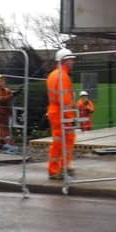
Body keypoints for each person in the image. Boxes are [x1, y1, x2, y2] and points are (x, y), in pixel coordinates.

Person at [46, 48, 77, 180]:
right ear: (64, 60)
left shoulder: (54, 74)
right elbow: (65, 100)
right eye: (71, 60)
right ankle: (54, 170)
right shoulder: (62, 76)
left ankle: (63, 166)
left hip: (58, 111)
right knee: (59, 142)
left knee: (66, 140)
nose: (73, 62)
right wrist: (71, 117)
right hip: (61, 113)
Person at [0, 75, 19, 151]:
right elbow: (0, 99)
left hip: (6, 112)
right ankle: (10, 145)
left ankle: (0, 146)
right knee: (4, 129)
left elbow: (10, 93)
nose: (3, 82)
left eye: (3, 80)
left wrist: (16, 92)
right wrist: (12, 95)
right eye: (1, 81)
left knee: (2, 128)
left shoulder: (6, 90)